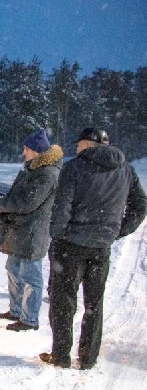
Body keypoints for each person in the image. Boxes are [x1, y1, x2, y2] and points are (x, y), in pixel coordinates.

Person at [40, 127, 147, 369]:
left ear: (88, 144)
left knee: (63, 301)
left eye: (78, 145)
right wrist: (117, 230)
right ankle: (88, 358)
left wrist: (58, 234)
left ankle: (61, 355)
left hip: (71, 245)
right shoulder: (126, 169)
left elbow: (62, 207)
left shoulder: (74, 168)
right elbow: (140, 205)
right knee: (94, 304)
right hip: (101, 247)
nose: (76, 149)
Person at [0, 128, 63, 331]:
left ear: (37, 150)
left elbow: (27, 201)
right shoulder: (32, 168)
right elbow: (18, 196)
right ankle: (16, 310)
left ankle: (30, 319)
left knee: (31, 276)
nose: (24, 152)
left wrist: (2, 205)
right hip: (20, 229)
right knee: (13, 269)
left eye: (27, 149)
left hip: (34, 232)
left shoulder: (48, 173)